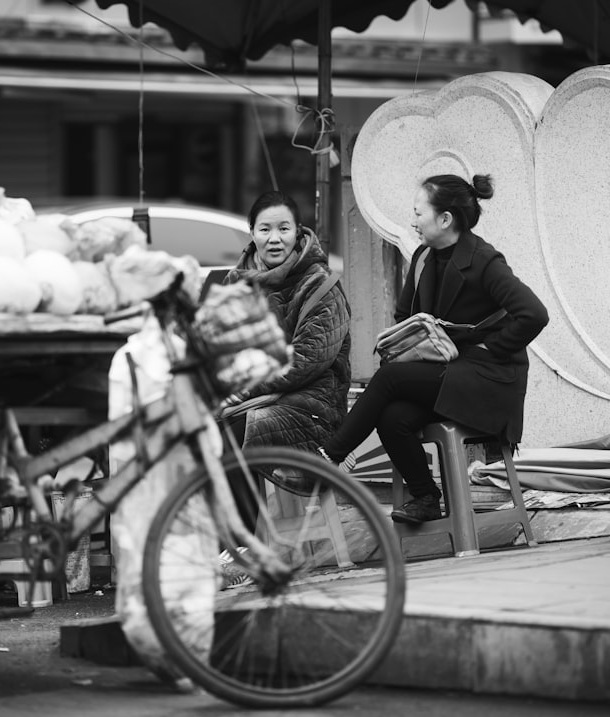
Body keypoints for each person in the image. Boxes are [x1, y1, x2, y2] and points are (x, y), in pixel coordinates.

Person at [318, 173, 549, 524]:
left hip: (490, 378)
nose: (413, 222)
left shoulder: (485, 261)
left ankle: (330, 457)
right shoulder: (425, 256)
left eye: (418, 213)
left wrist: (490, 349)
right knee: (392, 416)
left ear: (445, 219)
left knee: (389, 379)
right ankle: (426, 496)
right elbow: (403, 314)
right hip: (449, 372)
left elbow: (533, 314)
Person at [219, 190, 352, 473]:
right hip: (249, 397)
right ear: (252, 232)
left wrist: (244, 388)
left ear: (298, 231)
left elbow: (305, 360)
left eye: (284, 229)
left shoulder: (320, 285)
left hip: (312, 408)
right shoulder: (235, 282)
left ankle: (241, 519)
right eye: (265, 229)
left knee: (232, 432)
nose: (275, 239)